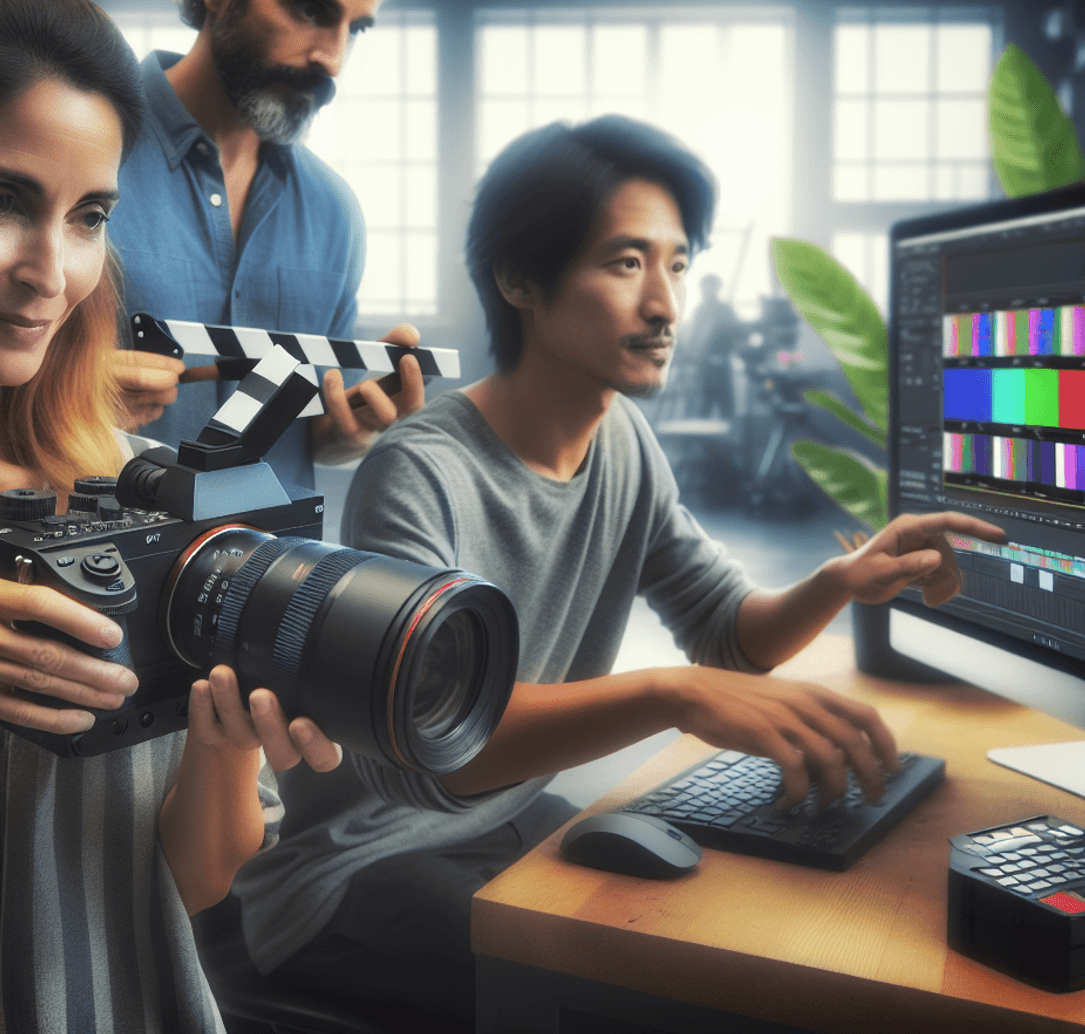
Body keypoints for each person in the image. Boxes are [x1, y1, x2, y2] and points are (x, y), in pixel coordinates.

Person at [223, 116, 1007, 1029]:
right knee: (612, 994)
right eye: (627, 263)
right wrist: (673, 694)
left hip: (502, 822)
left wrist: (839, 582)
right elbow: (432, 754)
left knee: (719, 936)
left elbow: (725, 630)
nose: (667, 304)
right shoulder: (419, 467)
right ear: (521, 278)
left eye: (678, 265)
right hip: (359, 863)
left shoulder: (622, 440)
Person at [0, 0, 339, 1032]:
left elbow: (195, 885)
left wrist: (223, 740)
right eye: (1, 200)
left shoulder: (130, 493)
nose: (52, 268)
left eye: (88, 216)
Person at [108, 0, 425, 492]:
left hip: (276, 581)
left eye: (355, 28)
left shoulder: (335, 213)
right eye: (311, 10)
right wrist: (57, 398)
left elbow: (311, 437)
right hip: (97, 575)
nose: (332, 59)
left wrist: (343, 432)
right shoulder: (83, 158)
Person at [684, 271, 742, 419]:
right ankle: (702, 440)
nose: (708, 290)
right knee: (703, 406)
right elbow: (695, 336)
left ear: (717, 288)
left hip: (721, 364)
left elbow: (737, 333)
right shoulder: (699, 311)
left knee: (726, 405)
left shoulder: (725, 310)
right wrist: (690, 358)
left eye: (712, 287)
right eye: (705, 287)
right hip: (703, 366)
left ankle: (727, 440)